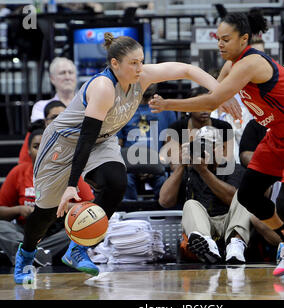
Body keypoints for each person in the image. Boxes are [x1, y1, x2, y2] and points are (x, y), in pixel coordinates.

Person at [13, 33, 241, 284]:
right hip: (64, 144)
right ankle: (25, 255)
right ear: (114, 64)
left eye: (141, 61)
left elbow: (187, 69)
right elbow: (85, 140)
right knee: (45, 214)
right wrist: (70, 186)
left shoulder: (141, 77)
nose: (139, 67)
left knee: (116, 183)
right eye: (133, 63)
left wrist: (220, 92)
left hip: (102, 139)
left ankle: (77, 249)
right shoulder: (102, 87)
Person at [149, 11, 284, 281]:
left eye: (226, 39)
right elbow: (215, 91)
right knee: (248, 195)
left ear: (244, 39)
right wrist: (222, 97)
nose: (220, 44)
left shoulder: (251, 63)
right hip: (279, 135)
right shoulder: (230, 65)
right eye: (218, 39)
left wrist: (169, 104)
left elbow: (211, 102)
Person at [0, 129, 94, 267]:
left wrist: (64, 206)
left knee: (83, 230)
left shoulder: (70, 172)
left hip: (57, 232)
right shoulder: (18, 172)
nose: (42, 150)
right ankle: (39, 253)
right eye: (36, 146)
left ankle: (22, 254)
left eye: (46, 145)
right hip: (26, 232)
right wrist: (20, 210)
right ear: (28, 151)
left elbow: (91, 208)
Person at [159, 126, 251, 264]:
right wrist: (182, 166)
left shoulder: (233, 168)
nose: (204, 150)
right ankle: (206, 244)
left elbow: (231, 198)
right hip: (203, 225)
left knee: (243, 196)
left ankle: (235, 245)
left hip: (229, 222)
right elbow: (165, 201)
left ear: (220, 148)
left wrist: (204, 172)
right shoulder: (189, 170)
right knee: (190, 204)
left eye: (210, 145)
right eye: (200, 145)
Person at [117, 83, 176, 200]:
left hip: (158, 165)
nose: (148, 83)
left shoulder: (167, 111)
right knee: (124, 182)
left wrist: (153, 166)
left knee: (165, 182)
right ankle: (129, 216)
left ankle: (165, 215)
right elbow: (117, 145)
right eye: (145, 79)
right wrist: (136, 167)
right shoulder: (122, 110)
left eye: (152, 79)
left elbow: (170, 148)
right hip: (129, 166)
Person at [30, 57, 77, 122]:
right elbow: (39, 130)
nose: (67, 77)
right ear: (52, 79)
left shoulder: (87, 104)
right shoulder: (41, 106)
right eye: (62, 73)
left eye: (71, 72)